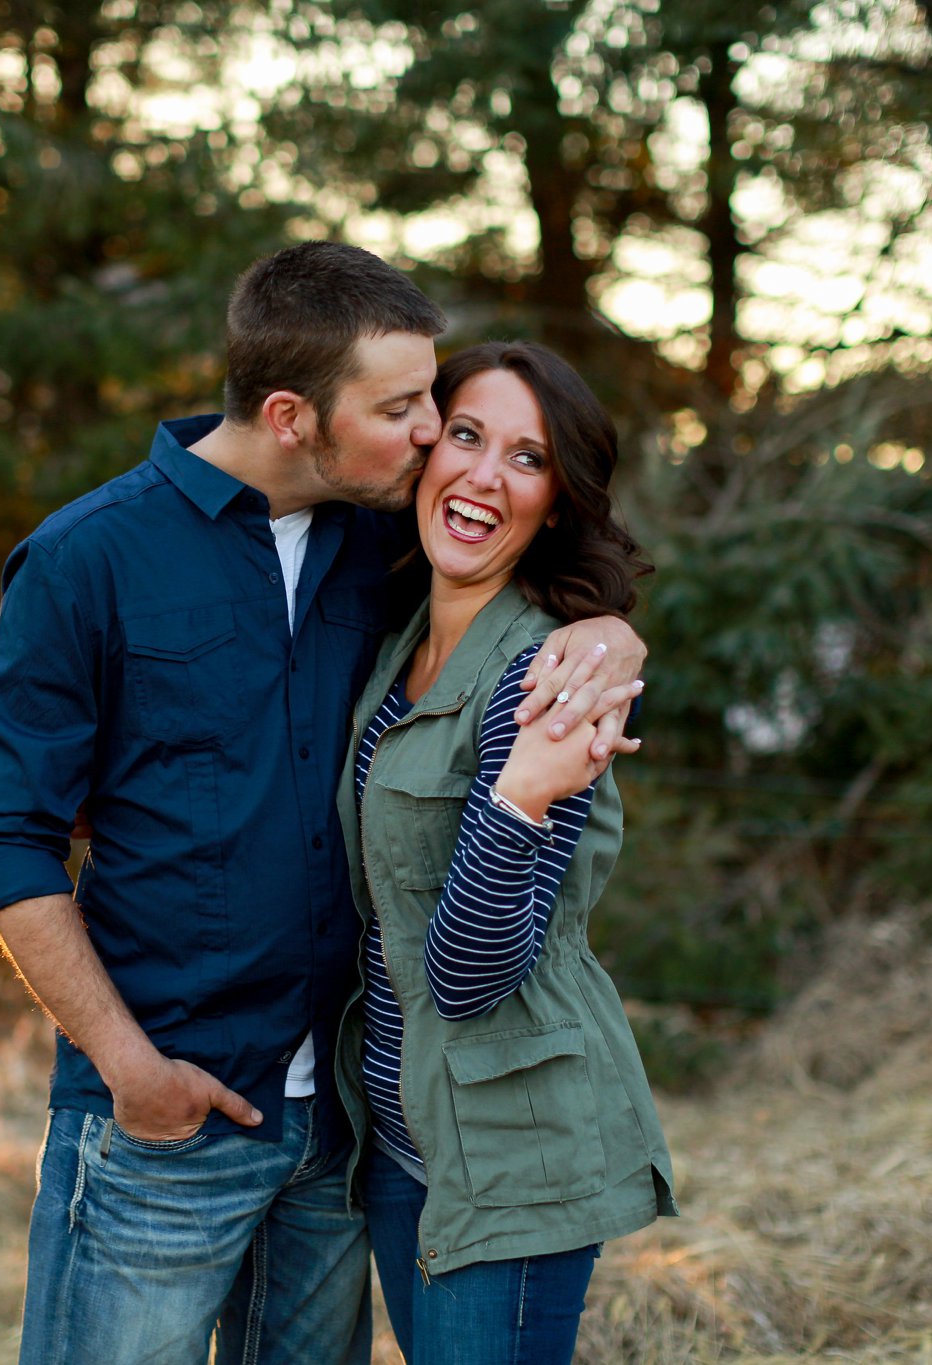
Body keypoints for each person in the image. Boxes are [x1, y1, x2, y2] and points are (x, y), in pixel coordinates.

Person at [0, 243, 647, 1365]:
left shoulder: (379, 542)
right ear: (291, 414)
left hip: (340, 1136)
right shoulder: (89, 560)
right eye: (404, 408)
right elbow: (4, 840)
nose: (432, 435)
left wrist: (608, 635)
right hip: (163, 1119)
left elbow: (529, 566)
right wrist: (133, 1073)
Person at [334, 341, 677, 1365]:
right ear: (425, 452)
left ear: (557, 502)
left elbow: (470, 974)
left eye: (525, 459)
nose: (484, 475)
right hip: (403, 1135)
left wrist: (524, 791)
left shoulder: (547, 674)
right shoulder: (401, 640)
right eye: (468, 436)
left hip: (507, 1148)